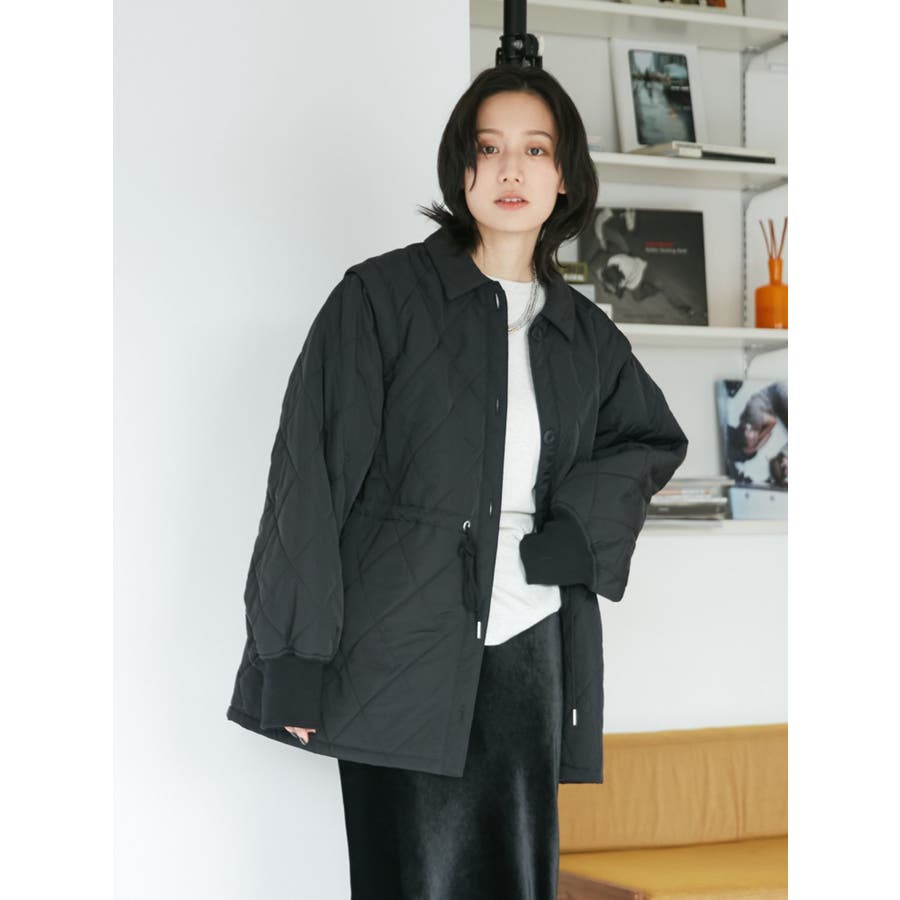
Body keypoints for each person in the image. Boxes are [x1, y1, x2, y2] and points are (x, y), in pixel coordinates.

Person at [225, 64, 689, 900]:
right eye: (489, 148)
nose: (512, 169)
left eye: (535, 150)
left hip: (529, 649)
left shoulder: (584, 335)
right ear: (461, 167)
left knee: (516, 880)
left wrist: (571, 540)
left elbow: (649, 440)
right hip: (396, 648)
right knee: (408, 880)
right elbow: (310, 481)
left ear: (564, 175)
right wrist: (292, 660)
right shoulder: (378, 300)